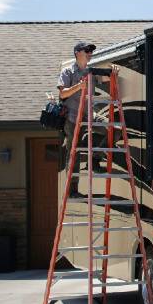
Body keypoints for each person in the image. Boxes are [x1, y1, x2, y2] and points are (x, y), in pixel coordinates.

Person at [57, 41, 98, 198]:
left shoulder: (91, 71)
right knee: (74, 153)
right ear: (77, 53)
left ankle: (95, 161)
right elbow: (62, 94)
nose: (90, 53)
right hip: (72, 118)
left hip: (89, 118)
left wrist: (113, 71)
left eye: (91, 51)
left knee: (109, 131)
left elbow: (107, 80)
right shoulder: (67, 71)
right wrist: (78, 87)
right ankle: (72, 191)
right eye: (87, 50)